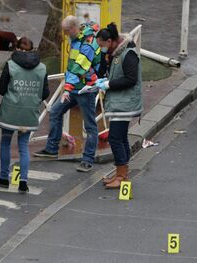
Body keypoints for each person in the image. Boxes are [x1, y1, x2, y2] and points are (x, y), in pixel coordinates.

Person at [33, 15, 102, 173]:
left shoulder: (88, 43)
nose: (64, 34)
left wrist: (67, 88)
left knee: (90, 125)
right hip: (74, 87)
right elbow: (73, 66)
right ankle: (51, 149)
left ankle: (88, 159)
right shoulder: (77, 38)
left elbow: (79, 68)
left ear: (73, 28)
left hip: (85, 89)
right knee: (55, 111)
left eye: (65, 31)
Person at [0, 37, 49, 193]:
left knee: (6, 142)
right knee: (23, 146)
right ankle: (23, 181)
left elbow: (1, 89)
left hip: (10, 111)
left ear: (17, 49)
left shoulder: (11, 65)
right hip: (29, 113)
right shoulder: (42, 68)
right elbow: (45, 92)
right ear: (32, 49)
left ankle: (3, 177)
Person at [95, 23, 143, 189]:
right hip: (119, 103)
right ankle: (121, 172)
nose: (101, 49)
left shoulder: (128, 54)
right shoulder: (114, 53)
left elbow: (131, 79)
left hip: (125, 104)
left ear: (111, 41)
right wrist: (103, 57)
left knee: (115, 138)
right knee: (120, 138)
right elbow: (102, 71)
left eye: (102, 45)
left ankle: (122, 175)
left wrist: (109, 84)